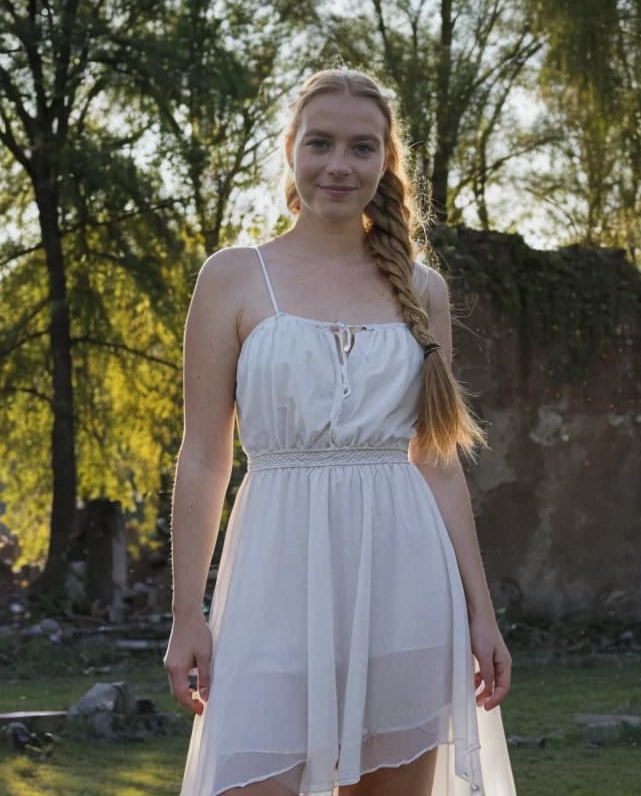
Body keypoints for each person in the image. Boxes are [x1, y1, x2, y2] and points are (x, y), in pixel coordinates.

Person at [164, 68, 517, 796]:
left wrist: (482, 613)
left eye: (362, 148)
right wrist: (185, 615)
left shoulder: (422, 289)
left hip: (405, 584)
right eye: (320, 143)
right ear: (291, 150)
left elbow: (439, 461)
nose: (338, 164)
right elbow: (203, 458)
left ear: (385, 161)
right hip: (272, 579)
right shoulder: (233, 277)